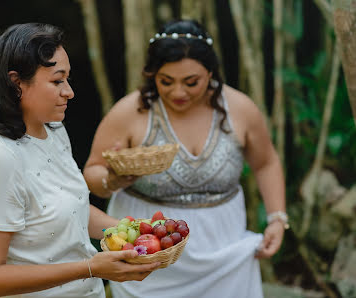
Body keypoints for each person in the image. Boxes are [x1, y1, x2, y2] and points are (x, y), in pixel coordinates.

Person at [83, 19, 288, 298]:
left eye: (191, 82)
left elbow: (266, 162)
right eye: (166, 81)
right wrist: (112, 179)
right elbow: (92, 173)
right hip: (150, 254)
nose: (178, 92)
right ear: (152, 74)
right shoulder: (130, 112)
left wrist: (277, 218)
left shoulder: (240, 109)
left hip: (225, 249)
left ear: (211, 73)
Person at [0, 22, 161, 298]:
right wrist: (90, 268)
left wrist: (137, 234)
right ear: (16, 83)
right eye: (57, 81)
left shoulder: (54, 130)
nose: (69, 91)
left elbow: (72, 206)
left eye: (67, 79)